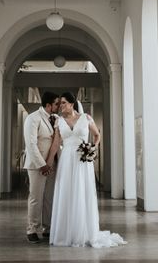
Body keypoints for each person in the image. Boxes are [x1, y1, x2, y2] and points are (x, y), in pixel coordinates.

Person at [45, 92, 126, 248]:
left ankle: (84, 232)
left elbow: (97, 135)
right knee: (67, 193)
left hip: (83, 161)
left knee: (82, 193)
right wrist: (48, 163)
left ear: (71, 104)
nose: (60, 106)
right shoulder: (59, 122)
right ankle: (66, 233)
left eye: (63, 103)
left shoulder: (86, 118)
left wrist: (93, 149)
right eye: (59, 103)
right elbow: (56, 144)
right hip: (67, 161)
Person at [23, 91, 60, 243]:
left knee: (49, 198)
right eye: (56, 104)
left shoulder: (57, 119)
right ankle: (32, 229)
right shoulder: (33, 118)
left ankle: (47, 227)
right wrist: (42, 164)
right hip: (37, 165)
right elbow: (31, 145)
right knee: (35, 198)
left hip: (53, 164)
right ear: (48, 104)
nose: (58, 106)